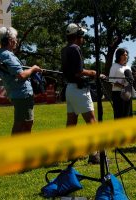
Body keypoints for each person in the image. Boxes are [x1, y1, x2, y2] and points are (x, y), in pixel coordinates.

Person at [61, 23, 99, 164]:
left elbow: (73, 70)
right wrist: (93, 73)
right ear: (77, 36)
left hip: (69, 89)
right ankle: (95, 155)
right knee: (92, 122)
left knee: (71, 122)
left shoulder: (64, 50)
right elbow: (78, 72)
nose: (84, 38)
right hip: (78, 90)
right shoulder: (76, 48)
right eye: (82, 35)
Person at [0, 27, 42, 135]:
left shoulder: (1, 54)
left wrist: (29, 70)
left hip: (18, 94)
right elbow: (21, 75)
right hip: (22, 95)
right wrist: (33, 68)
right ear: (10, 40)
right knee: (23, 123)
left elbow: (16, 72)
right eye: (15, 38)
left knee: (25, 122)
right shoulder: (7, 55)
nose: (16, 41)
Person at [109, 48, 132, 119]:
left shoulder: (128, 67)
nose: (126, 56)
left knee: (128, 114)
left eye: (126, 55)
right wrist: (122, 86)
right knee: (120, 115)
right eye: (123, 55)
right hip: (118, 93)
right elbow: (111, 80)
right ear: (119, 56)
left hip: (128, 93)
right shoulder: (115, 66)